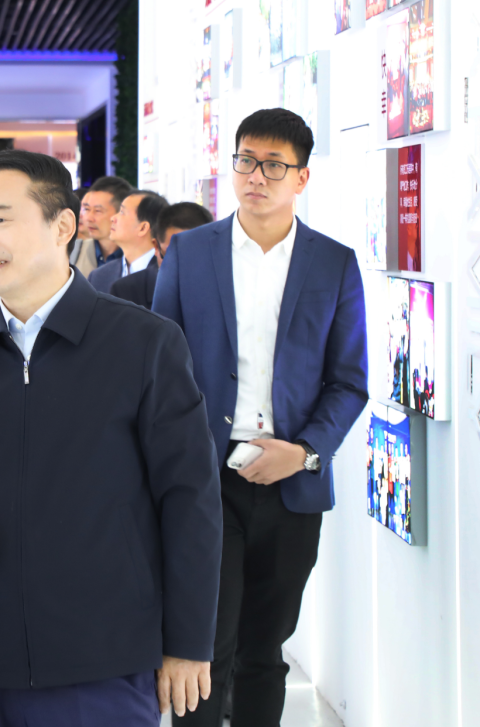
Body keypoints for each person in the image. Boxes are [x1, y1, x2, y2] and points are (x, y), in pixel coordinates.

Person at [0, 149, 222, 726]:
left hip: (109, 658)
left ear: (63, 225)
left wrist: (189, 641)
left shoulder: (144, 344)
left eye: (0, 219)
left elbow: (190, 499)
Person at [153, 108, 368, 727]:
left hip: (291, 483)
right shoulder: (190, 252)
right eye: (246, 160)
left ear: (302, 177)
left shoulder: (333, 263)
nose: (256, 176)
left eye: (274, 165)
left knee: (264, 651)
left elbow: (349, 381)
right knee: (203, 645)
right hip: (204, 480)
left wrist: (303, 453)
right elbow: (160, 365)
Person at [110, 201, 214, 309]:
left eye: (195, 254)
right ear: (156, 246)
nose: (185, 264)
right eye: (175, 255)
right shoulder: (126, 292)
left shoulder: (221, 285)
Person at [88, 190, 168, 293]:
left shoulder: (166, 274)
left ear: (143, 228)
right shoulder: (99, 276)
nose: (113, 218)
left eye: (122, 212)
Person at [70, 175, 132, 276]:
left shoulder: (135, 256)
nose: (89, 218)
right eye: (87, 209)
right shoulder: (73, 251)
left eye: (98, 211)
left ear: (120, 212)